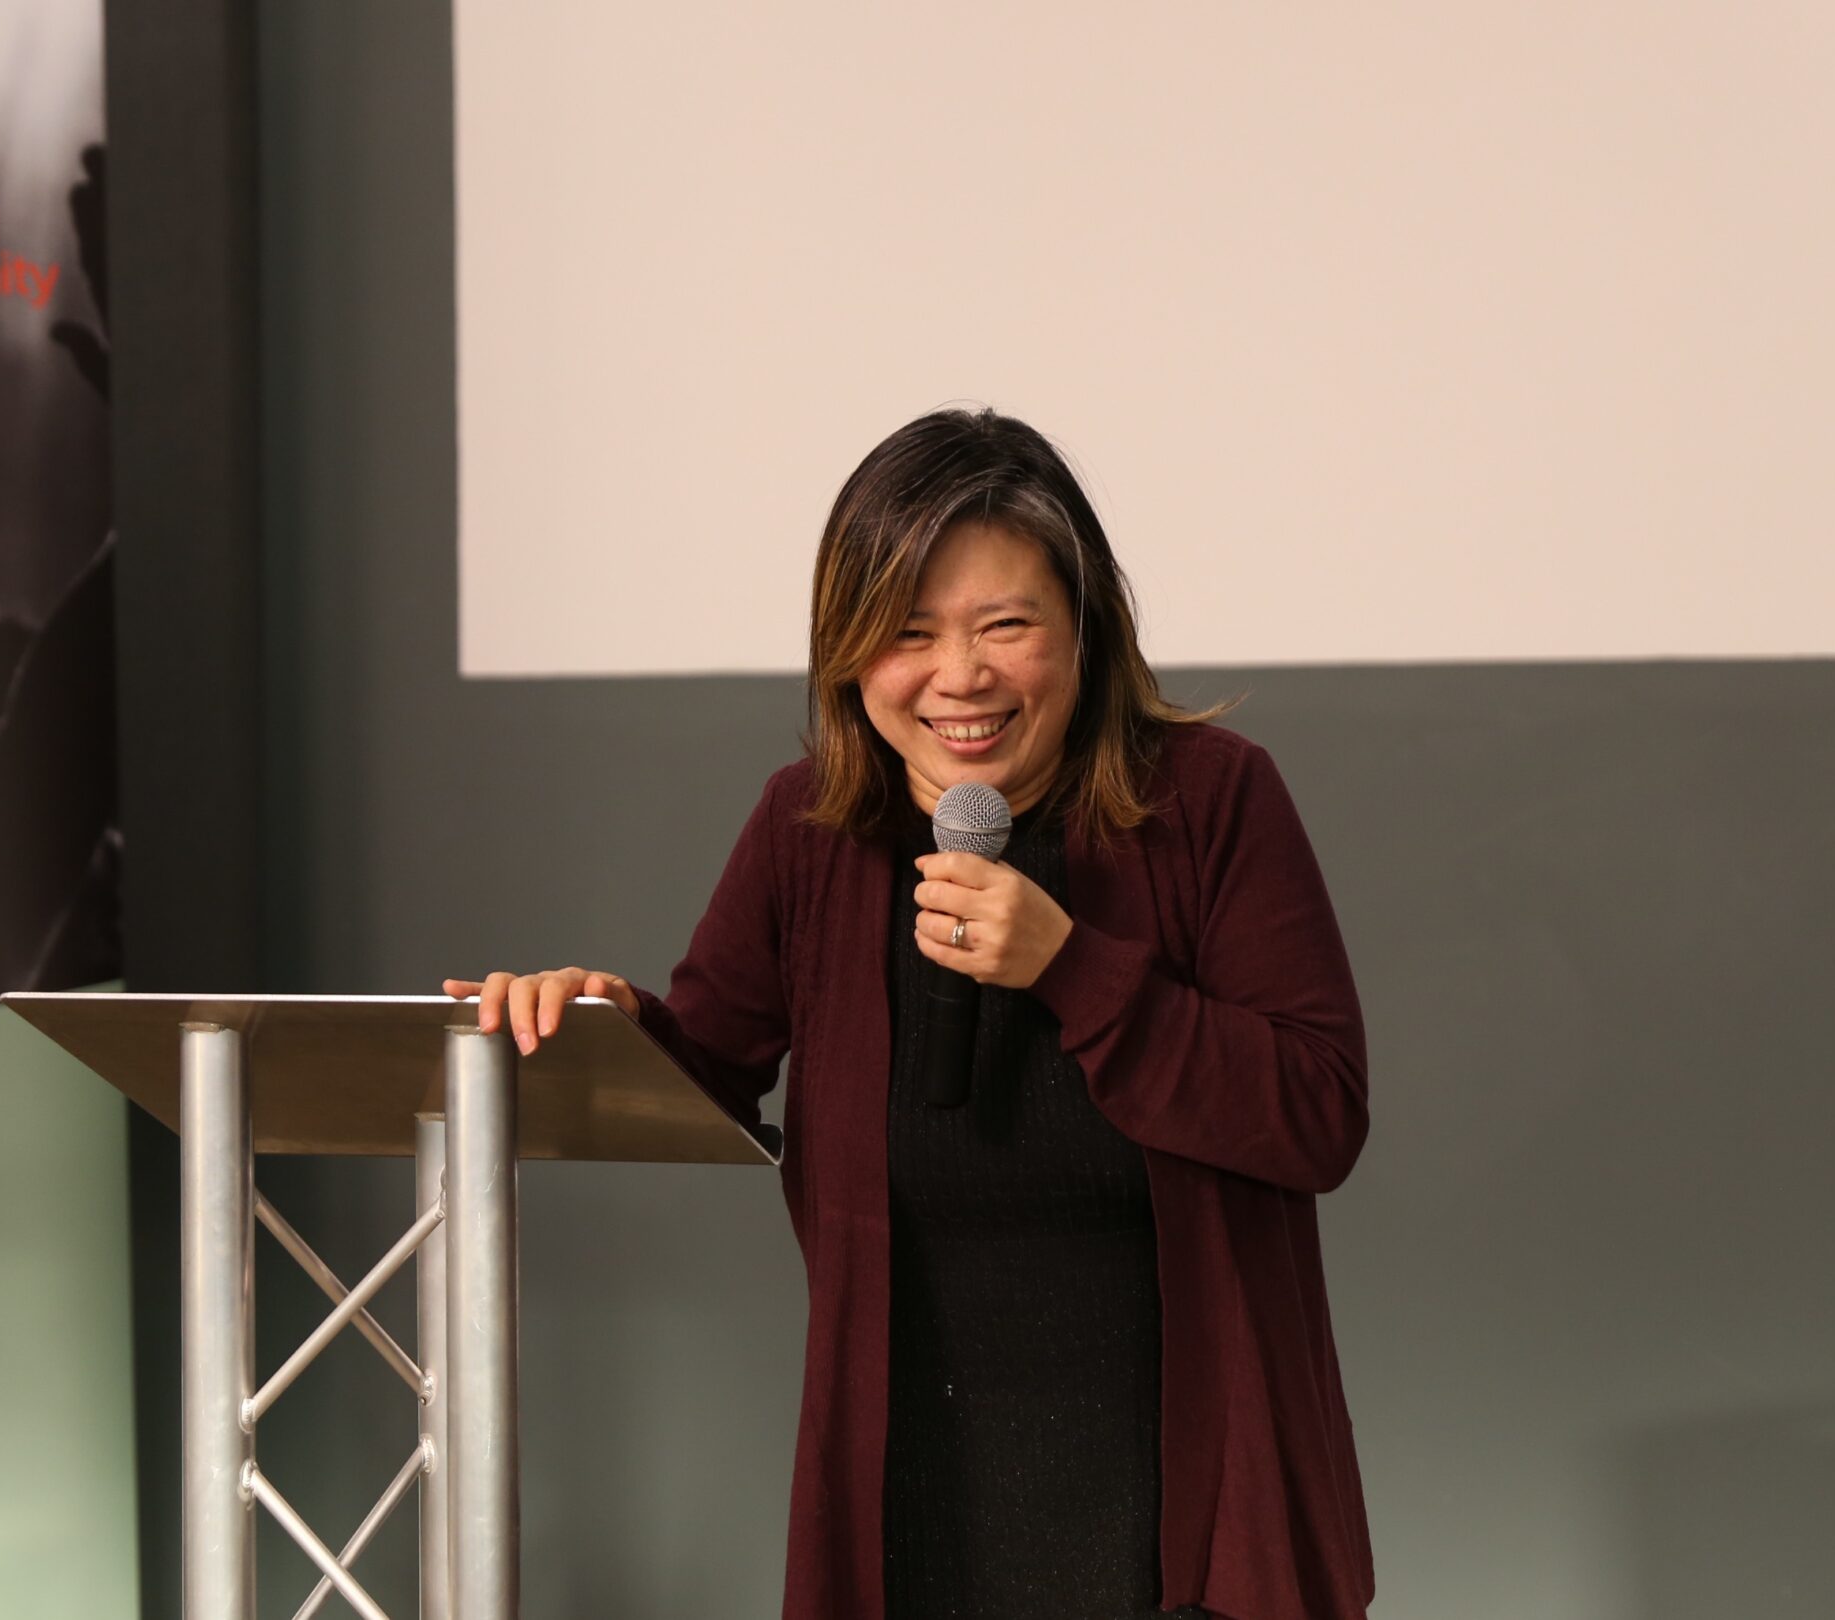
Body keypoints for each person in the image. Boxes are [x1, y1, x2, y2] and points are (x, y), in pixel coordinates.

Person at [448, 407, 1373, 1620]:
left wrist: (1071, 966)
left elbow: (1318, 1117)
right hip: (912, 1509)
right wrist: (601, 1023)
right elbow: (708, 1069)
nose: (960, 677)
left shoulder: (1210, 801)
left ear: (1083, 633)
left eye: (1006, 626)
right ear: (848, 656)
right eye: (907, 634)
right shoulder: (809, 829)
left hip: (1179, 1510)